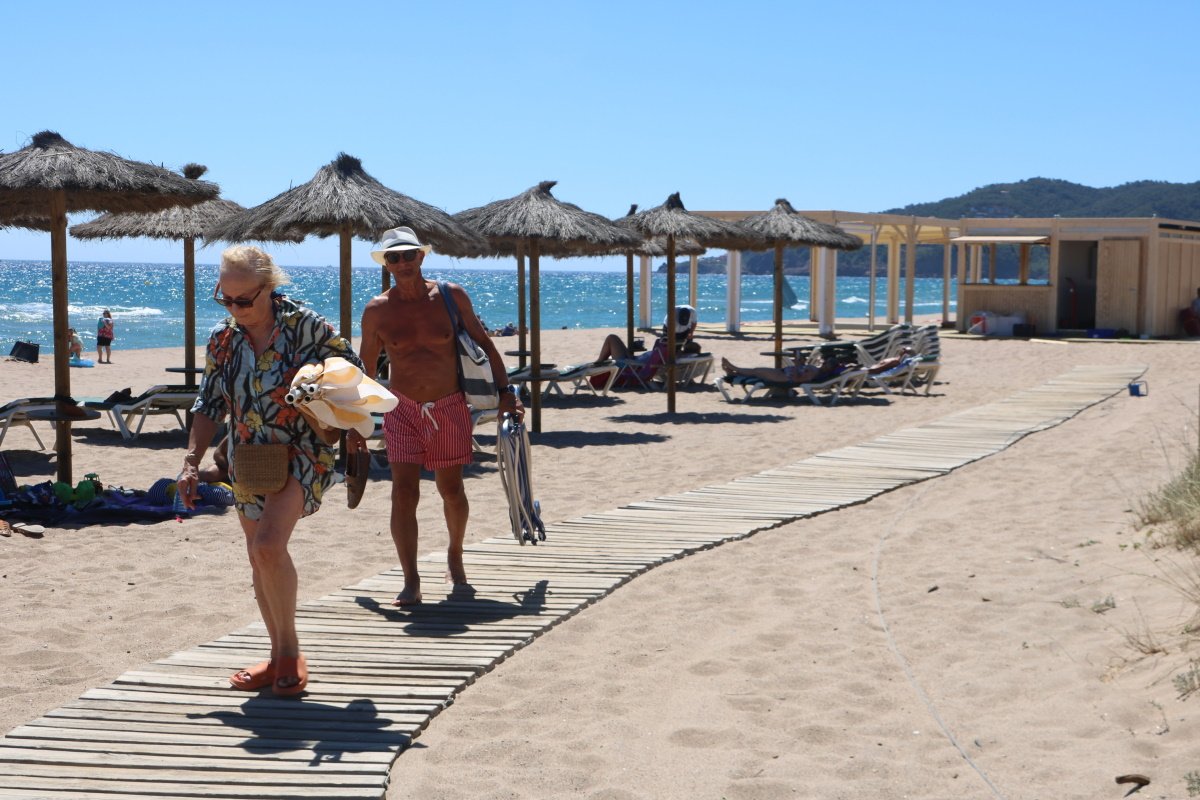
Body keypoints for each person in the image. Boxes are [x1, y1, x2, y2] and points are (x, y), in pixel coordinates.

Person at [176, 245, 362, 697]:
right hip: (249, 456)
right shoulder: (223, 338)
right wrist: (190, 461)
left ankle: (291, 653)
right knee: (258, 556)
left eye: (245, 299)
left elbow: (359, 374)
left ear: (270, 287)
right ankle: (277, 652)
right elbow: (209, 403)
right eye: (226, 298)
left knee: (267, 544)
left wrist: (317, 379)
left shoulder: (307, 328)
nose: (236, 309)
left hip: (305, 450)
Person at [349, 227, 523, 607]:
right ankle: (411, 579)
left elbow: (485, 344)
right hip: (401, 409)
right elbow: (365, 370)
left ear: (422, 257)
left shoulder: (450, 296)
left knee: (451, 490)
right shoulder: (377, 310)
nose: (402, 263)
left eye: (408, 255)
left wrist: (507, 392)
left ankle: (455, 554)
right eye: (393, 258)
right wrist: (356, 423)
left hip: (449, 406)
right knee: (403, 493)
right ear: (386, 264)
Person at [590, 305, 698, 388]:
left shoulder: (665, 348)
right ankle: (599, 363)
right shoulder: (672, 354)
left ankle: (598, 364)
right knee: (614, 341)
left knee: (612, 338)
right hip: (636, 362)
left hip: (632, 367)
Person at [721, 352, 850, 385]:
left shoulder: (814, 375)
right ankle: (732, 372)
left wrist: (797, 366)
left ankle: (733, 369)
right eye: (825, 362)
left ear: (829, 369)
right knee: (757, 372)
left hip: (784, 378)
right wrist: (799, 363)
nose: (823, 364)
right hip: (783, 372)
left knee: (757, 372)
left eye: (826, 364)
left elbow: (799, 379)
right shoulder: (815, 369)